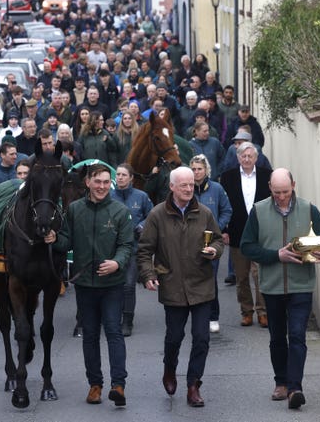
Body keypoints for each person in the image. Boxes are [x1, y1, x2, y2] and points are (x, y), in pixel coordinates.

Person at [241, 168, 320, 410]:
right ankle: (281, 382)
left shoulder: (308, 209)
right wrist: (277, 255)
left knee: (297, 335)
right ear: (269, 188)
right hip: (272, 286)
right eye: (276, 192)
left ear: (293, 185)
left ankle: (295, 388)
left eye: (285, 192)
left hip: (301, 285)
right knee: (277, 338)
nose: (281, 197)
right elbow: (246, 247)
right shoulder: (259, 211)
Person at [48, 163, 134, 407]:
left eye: (107, 182)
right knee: (90, 336)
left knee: (114, 332)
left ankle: (119, 385)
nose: (102, 187)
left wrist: (117, 263)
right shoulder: (74, 210)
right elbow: (66, 240)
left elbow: (127, 245)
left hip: (112, 284)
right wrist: (54, 239)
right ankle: (95, 385)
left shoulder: (120, 211)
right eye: (97, 182)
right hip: (85, 283)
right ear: (87, 183)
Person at [137, 166, 224, 408]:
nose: (188, 189)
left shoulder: (204, 213)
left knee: (201, 339)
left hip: (202, 285)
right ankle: (169, 368)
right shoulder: (157, 215)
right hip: (173, 285)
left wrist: (214, 250)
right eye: (183, 185)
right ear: (172, 187)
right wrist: (148, 274)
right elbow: (144, 250)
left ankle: (194, 384)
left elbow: (217, 239)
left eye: (191, 184)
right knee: (174, 337)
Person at [220, 142, 271, 328]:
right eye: (244, 156)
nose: (247, 159)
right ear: (238, 158)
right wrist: (224, 231)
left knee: (260, 275)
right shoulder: (227, 178)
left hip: (261, 234)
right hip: (237, 233)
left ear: (256, 158)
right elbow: (222, 207)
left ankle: (263, 312)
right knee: (241, 277)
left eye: (250, 156)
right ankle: (246, 311)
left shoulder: (267, 176)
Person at [190, 155, 232, 333]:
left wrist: (217, 228)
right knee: (192, 278)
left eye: (199, 169)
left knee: (210, 279)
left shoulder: (216, 188)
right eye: (193, 169)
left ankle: (213, 316)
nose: (196, 172)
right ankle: (196, 314)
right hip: (190, 242)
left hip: (211, 243)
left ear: (206, 170)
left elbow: (227, 210)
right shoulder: (187, 188)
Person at [111, 164, 153, 336]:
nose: (120, 177)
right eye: (118, 174)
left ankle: (127, 321)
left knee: (128, 286)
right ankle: (113, 317)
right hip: (112, 248)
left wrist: (142, 225)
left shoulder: (141, 196)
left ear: (131, 178)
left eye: (123, 175)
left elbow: (152, 215)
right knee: (115, 286)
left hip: (134, 248)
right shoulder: (109, 196)